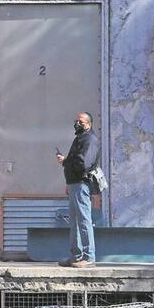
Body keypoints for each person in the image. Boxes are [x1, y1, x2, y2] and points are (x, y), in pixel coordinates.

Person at [56, 112, 100, 268]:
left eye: (81, 122)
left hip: (81, 184)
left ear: (88, 124)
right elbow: (77, 161)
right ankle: (76, 256)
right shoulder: (80, 139)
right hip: (74, 183)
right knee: (75, 222)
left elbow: (84, 163)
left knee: (84, 220)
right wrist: (67, 167)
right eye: (76, 121)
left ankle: (89, 257)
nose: (77, 124)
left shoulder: (90, 140)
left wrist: (67, 161)